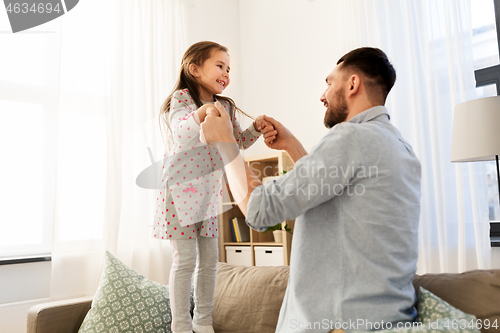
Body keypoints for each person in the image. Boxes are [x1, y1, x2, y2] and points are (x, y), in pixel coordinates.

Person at [201, 47, 421, 333]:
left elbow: (258, 209)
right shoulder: (401, 148)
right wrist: (292, 146)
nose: (323, 95)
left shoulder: (351, 136)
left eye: (329, 83)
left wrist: (226, 143)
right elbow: (337, 199)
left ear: (352, 84)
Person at [153, 41, 273, 333]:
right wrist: (201, 113)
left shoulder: (226, 106)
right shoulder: (181, 99)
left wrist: (255, 129)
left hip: (208, 196)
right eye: (220, 66)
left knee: (209, 261)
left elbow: (236, 143)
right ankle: (180, 325)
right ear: (195, 69)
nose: (226, 73)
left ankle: (203, 322)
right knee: (185, 260)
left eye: (229, 69)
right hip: (179, 192)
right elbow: (182, 131)